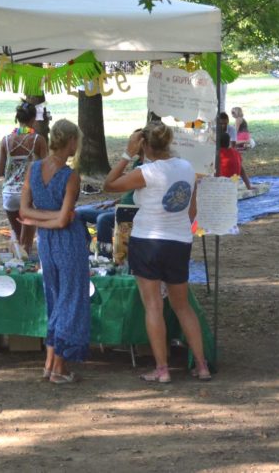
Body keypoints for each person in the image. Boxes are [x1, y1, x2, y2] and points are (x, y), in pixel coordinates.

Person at [103, 122, 213, 382]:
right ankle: (202, 365)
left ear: (144, 146)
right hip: (179, 242)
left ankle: (162, 369)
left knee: (153, 307)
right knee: (183, 306)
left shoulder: (145, 172)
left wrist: (126, 155)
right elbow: (192, 211)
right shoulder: (187, 168)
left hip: (148, 241)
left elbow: (110, 184)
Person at [16, 119, 88, 384]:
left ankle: (49, 364)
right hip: (68, 241)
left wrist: (35, 220)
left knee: (55, 297)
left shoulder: (33, 169)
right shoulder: (70, 176)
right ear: (70, 142)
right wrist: (56, 216)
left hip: (45, 241)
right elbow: (63, 220)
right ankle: (58, 367)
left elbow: (24, 210)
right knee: (70, 299)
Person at [0, 101, 47, 254]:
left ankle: (16, 268)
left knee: (18, 238)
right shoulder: (38, 140)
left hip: (9, 194)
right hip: (28, 194)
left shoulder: (6, 140)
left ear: (17, 119)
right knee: (27, 243)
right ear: (33, 119)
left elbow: (0, 171)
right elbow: (45, 169)